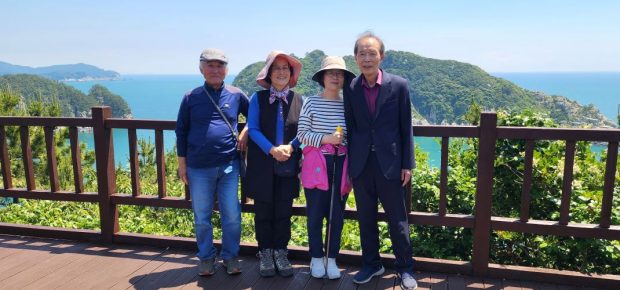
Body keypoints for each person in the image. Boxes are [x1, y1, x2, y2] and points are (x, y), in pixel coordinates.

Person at [343, 32, 418, 290]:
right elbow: (351, 128)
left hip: (391, 163)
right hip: (362, 164)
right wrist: (351, 166)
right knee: (366, 218)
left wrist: (407, 164)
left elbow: (405, 127)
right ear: (355, 58)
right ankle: (372, 264)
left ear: (381, 56)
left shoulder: (399, 85)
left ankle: (406, 268)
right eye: (361, 53)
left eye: (371, 53)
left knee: (398, 220)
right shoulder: (351, 88)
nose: (366, 58)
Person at [175, 48, 249, 276]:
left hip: (229, 165)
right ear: (201, 69)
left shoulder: (236, 94)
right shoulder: (191, 97)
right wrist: (182, 165)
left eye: (220, 65)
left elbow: (254, 118)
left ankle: (230, 256)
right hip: (198, 167)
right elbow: (181, 131)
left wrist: (245, 131)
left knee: (232, 215)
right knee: (202, 216)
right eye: (210, 65)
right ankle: (206, 257)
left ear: (226, 69)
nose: (215, 70)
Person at [245, 50, 303, 277]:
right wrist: (272, 150)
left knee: (283, 211)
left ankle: (281, 251)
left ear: (291, 73)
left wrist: (291, 146)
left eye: (285, 68)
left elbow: (304, 130)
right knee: (263, 211)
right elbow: (254, 128)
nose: (281, 72)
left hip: (288, 164)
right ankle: (265, 252)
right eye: (276, 68)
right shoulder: (257, 99)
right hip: (262, 165)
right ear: (269, 73)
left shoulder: (299, 99)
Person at [297, 56, 355, 279]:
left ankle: (331, 258)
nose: (335, 76)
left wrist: (340, 141)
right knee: (315, 213)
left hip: (341, 163)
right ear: (322, 77)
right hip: (317, 164)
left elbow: (351, 136)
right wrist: (327, 139)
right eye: (330, 73)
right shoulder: (311, 102)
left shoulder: (347, 105)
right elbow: (302, 134)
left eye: (339, 73)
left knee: (336, 214)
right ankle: (315, 257)